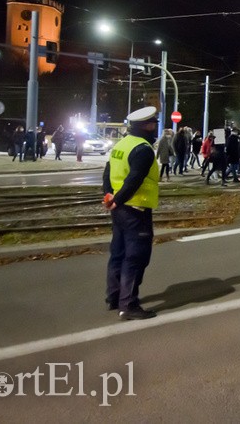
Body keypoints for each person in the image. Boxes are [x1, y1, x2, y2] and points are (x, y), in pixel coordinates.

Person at [102, 106, 161, 320]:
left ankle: (114, 297)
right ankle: (128, 305)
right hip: (136, 210)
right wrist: (117, 200)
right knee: (135, 257)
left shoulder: (122, 145)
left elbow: (108, 172)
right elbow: (134, 179)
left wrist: (110, 197)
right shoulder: (142, 149)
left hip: (120, 211)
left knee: (118, 253)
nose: (155, 127)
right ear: (146, 125)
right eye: (154, 123)